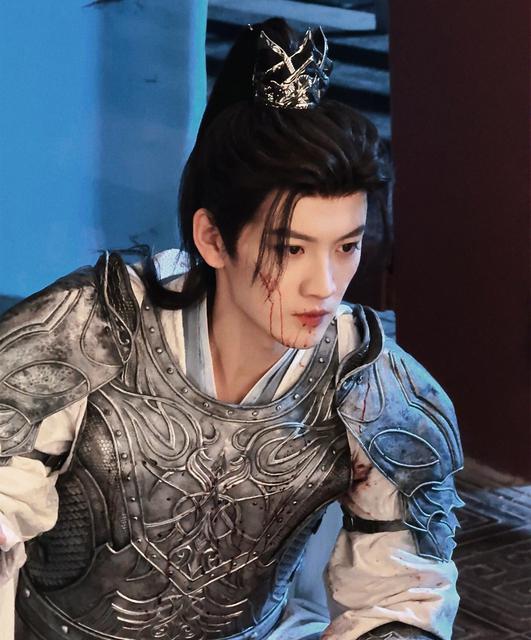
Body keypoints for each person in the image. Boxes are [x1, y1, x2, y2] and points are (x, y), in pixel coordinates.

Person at [0, 17, 464, 640]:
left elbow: (402, 595)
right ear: (213, 238)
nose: (325, 285)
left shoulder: (373, 385)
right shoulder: (87, 330)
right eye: (291, 249)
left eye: (346, 246)